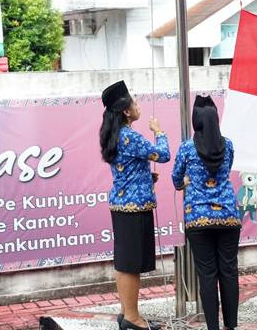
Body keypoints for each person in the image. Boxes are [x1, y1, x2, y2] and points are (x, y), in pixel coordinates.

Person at [99, 80, 170, 330]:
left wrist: (144, 177)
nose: (139, 106)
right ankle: (132, 318)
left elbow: (125, 169)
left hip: (121, 204)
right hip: (134, 207)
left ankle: (126, 313)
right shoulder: (131, 136)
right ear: (127, 111)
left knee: (124, 263)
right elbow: (163, 155)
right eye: (136, 103)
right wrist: (159, 132)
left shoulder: (116, 134)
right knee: (131, 266)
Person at [172, 95, 241, 330]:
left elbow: (175, 179)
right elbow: (227, 168)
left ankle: (212, 327)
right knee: (229, 271)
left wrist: (185, 183)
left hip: (198, 220)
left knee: (207, 274)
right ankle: (230, 326)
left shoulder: (186, 149)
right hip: (229, 218)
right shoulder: (228, 144)